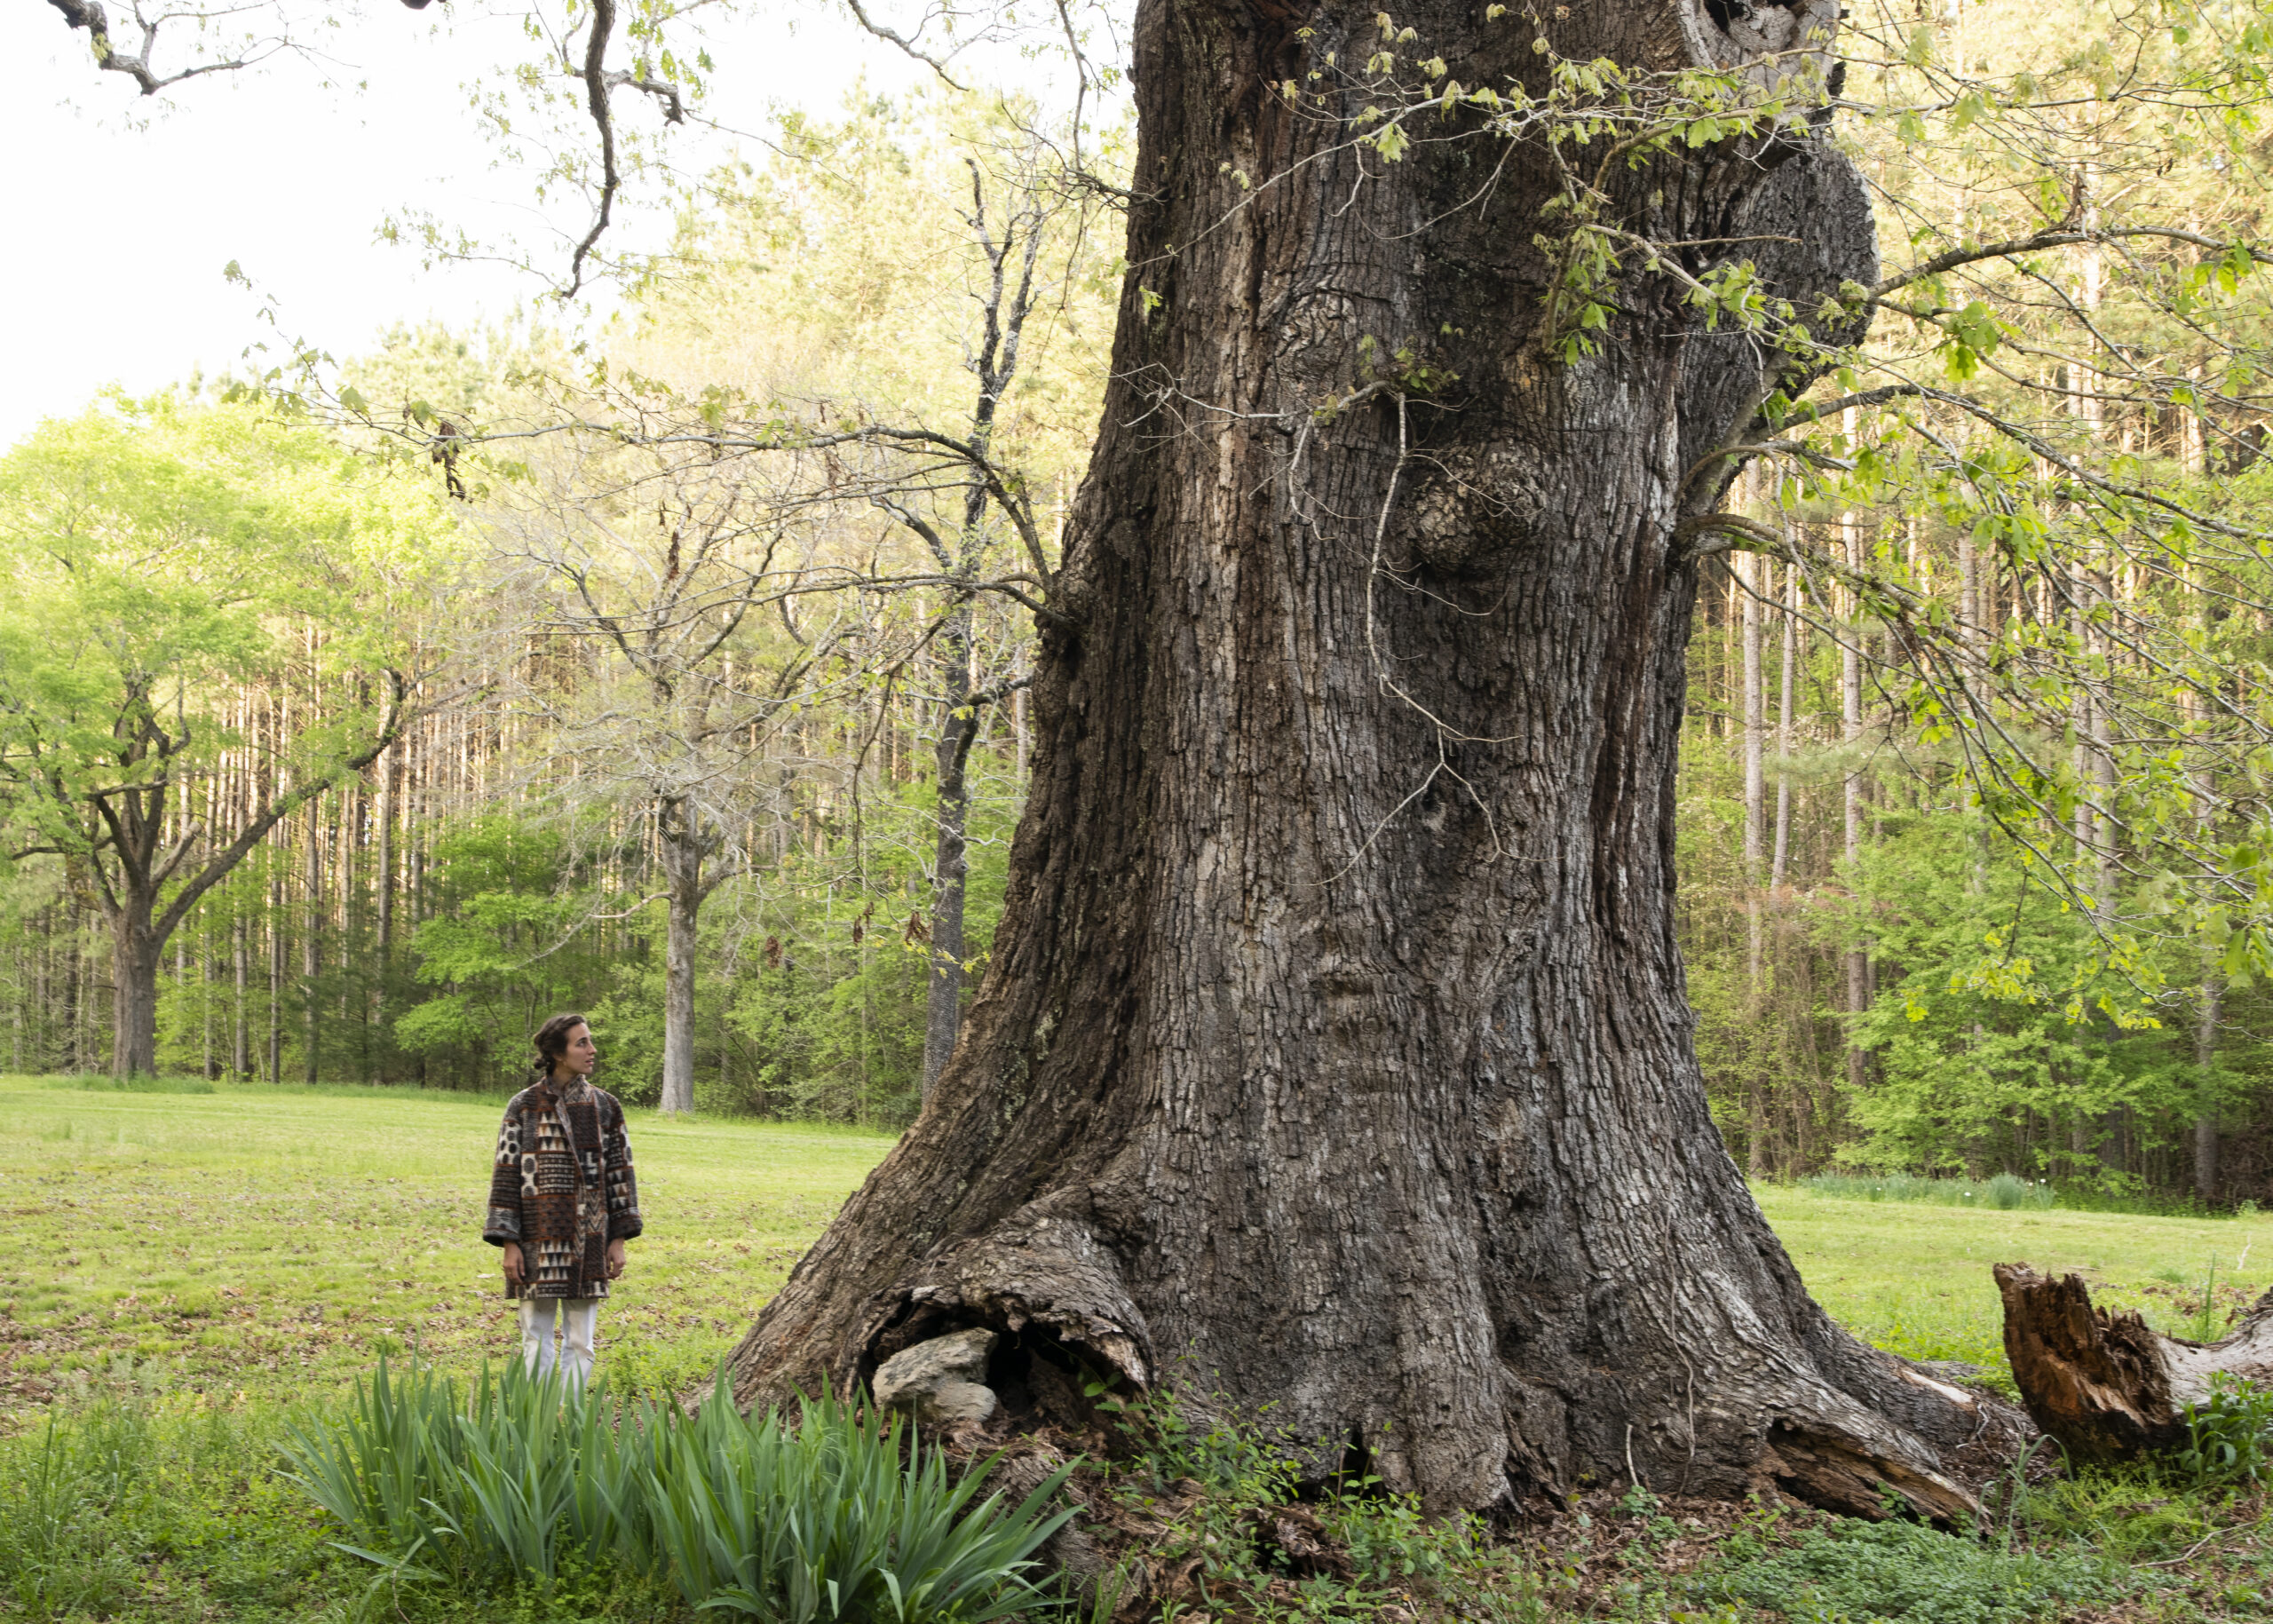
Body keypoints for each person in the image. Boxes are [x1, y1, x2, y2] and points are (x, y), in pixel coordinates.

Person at [482, 1012, 642, 1389]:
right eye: (581, 1042)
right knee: (535, 1337)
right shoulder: (522, 1107)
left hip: (590, 1239)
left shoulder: (605, 1107)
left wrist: (617, 1240)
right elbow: (506, 1175)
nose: (592, 1049)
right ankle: (535, 1418)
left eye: (589, 1040)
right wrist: (509, 1243)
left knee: (581, 1340)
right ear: (557, 1052)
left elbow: (622, 1175)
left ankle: (571, 1420)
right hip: (536, 1238)